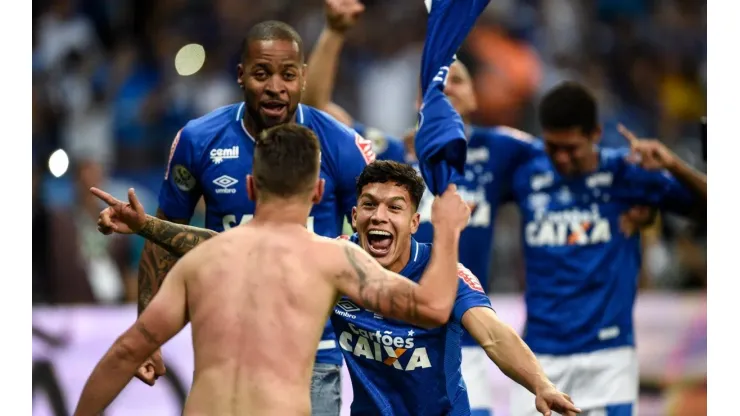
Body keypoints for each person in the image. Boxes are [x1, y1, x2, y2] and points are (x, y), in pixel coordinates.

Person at [75, 124, 471, 416]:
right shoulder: (331, 260)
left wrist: (147, 226)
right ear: (317, 193)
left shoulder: (201, 263)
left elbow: (127, 351)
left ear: (249, 187)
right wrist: (449, 230)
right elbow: (434, 307)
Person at [135, 19, 377, 414]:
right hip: (226, 352)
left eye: (287, 74)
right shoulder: (199, 140)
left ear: (303, 78)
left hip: (313, 357)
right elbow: (162, 240)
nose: (275, 87)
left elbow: (376, 238)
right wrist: (147, 336)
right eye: (262, 73)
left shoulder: (341, 145)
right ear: (241, 75)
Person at [507, 81, 706, 416]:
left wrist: (673, 165)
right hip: (539, 354)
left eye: (571, 148)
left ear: (596, 133)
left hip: (607, 356)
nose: (561, 158)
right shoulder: (527, 172)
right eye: (553, 146)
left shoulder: (627, 173)